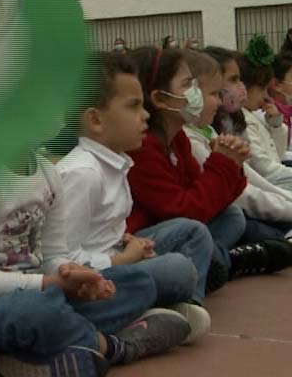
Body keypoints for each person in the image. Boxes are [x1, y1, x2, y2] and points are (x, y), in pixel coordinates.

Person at [0, 147, 189, 377]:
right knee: (34, 309)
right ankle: (115, 346)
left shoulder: (46, 173)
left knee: (137, 280)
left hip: (43, 297)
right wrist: (51, 285)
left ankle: (21, 357)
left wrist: (74, 276)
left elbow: (53, 255)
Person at [58, 51, 212, 341]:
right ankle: (143, 317)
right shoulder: (82, 174)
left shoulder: (117, 162)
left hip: (116, 261)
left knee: (192, 232)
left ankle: (182, 308)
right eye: (134, 107)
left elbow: (105, 231)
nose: (145, 116)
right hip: (94, 280)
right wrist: (123, 260)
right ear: (96, 120)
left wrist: (130, 243)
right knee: (177, 268)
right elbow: (62, 261)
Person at [125, 47, 292, 291]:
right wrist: (223, 163)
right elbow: (187, 211)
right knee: (194, 234)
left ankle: (223, 261)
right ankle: (205, 283)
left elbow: (218, 194)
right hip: (152, 237)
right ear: (159, 98)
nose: (206, 97)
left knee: (232, 216)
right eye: (187, 84)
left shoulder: (177, 137)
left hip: (185, 227)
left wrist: (233, 165)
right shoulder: (145, 147)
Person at [182, 49, 292, 261]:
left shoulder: (211, 128)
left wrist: (276, 126)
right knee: (246, 224)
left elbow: (252, 178)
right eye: (215, 93)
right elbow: (246, 191)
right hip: (229, 212)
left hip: (248, 204)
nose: (219, 100)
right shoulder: (193, 136)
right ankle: (224, 260)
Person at [234, 37, 292, 191]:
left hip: (277, 181)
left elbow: (277, 155)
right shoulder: (241, 120)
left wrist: (276, 124)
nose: (266, 96)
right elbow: (263, 167)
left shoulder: (256, 116)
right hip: (269, 185)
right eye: (261, 89)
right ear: (244, 88)